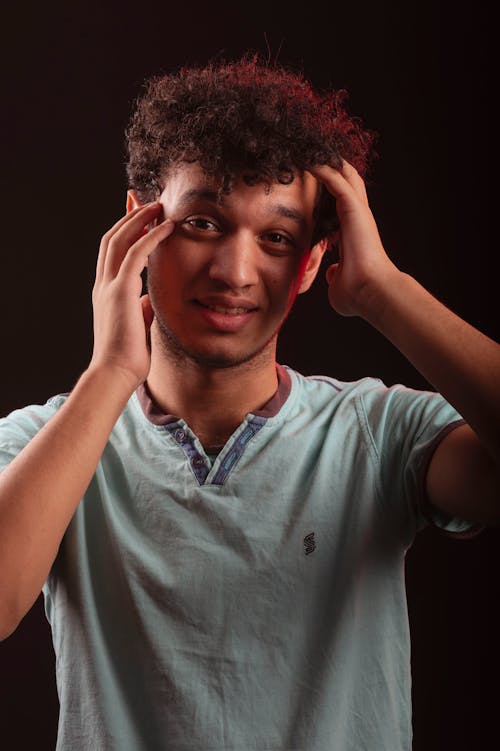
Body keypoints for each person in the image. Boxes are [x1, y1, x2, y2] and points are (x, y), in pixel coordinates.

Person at [0, 55, 498, 751]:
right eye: (203, 222)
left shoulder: (376, 434)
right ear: (139, 225)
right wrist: (112, 369)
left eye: (276, 238)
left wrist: (384, 290)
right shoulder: (49, 439)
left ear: (313, 260)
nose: (235, 273)